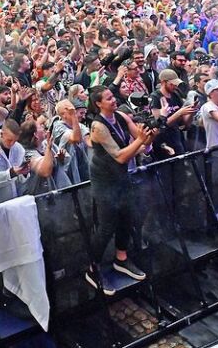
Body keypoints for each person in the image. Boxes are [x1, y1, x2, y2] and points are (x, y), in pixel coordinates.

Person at [85, 88, 156, 295]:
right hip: (105, 181)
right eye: (108, 98)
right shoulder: (98, 126)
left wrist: (151, 133)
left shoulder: (121, 116)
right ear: (98, 103)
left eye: (112, 96)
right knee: (107, 227)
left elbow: (143, 141)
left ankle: (121, 259)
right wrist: (141, 141)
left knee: (128, 217)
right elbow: (120, 156)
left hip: (122, 177)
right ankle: (93, 268)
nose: (114, 100)